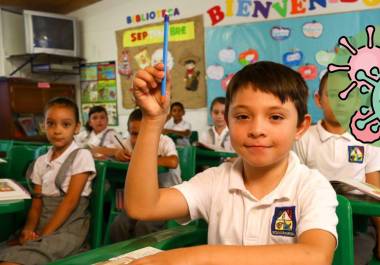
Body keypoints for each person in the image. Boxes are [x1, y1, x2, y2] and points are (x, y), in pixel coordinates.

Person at [124, 61, 338, 265]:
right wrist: (152, 121)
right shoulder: (216, 180)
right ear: (228, 122)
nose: (257, 129)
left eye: (275, 117)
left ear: (301, 127)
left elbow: (315, 256)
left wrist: (200, 257)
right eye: (243, 116)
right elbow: (142, 207)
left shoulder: (312, 187)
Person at [293, 71, 380, 265]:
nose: (341, 100)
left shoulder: (369, 139)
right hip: (310, 220)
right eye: (333, 94)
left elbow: (376, 194)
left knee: (351, 260)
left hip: (357, 225)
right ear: (318, 100)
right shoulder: (304, 137)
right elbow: (293, 184)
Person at [0, 97, 96, 265]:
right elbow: (37, 203)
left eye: (65, 124)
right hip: (41, 226)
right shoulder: (41, 161)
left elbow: (71, 202)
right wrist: (29, 229)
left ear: (77, 127)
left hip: (68, 230)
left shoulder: (82, 156)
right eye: (51, 124)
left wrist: (44, 235)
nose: (57, 130)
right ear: (43, 126)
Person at [109, 108, 182, 243]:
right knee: (118, 225)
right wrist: (116, 153)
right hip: (141, 197)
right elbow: (97, 149)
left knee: (144, 226)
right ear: (129, 132)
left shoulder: (164, 141)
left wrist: (144, 159)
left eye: (144, 133)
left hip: (166, 196)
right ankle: (122, 259)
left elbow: (173, 161)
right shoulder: (128, 143)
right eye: (135, 134)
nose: (139, 139)